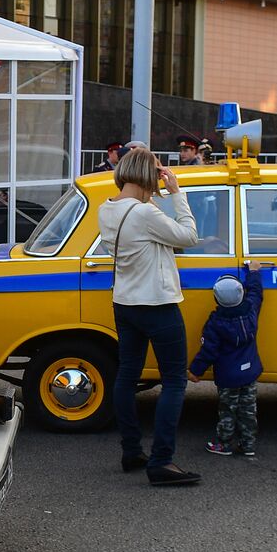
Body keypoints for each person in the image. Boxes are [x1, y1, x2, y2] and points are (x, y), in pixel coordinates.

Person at [98, 147, 201, 486]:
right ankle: (162, 461)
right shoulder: (145, 214)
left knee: (127, 375)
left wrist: (152, 193)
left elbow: (149, 226)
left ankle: (131, 451)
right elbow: (188, 237)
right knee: (174, 380)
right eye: (156, 174)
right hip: (157, 305)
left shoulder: (107, 209)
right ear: (147, 176)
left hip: (124, 303)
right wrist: (176, 193)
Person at [188, 262, 264, 458]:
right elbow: (256, 293)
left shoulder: (215, 324)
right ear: (241, 294)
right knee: (248, 409)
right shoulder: (251, 311)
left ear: (216, 298)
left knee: (228, 411)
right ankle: (248, 444)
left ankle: (224, 444)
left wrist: (195, 371)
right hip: (249, 373)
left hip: (228, 377)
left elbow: (208, 351)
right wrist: (254, 272)